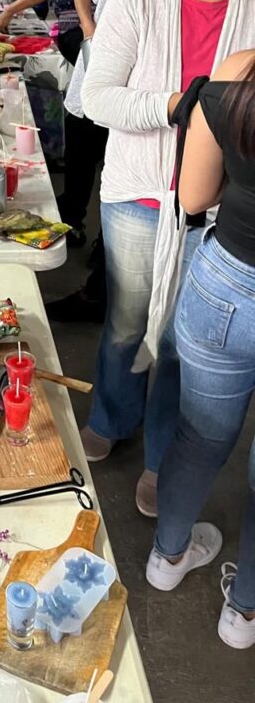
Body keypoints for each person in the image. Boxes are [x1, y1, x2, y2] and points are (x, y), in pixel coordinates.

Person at [80, 0, 255, 519]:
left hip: (218, 211)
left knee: (185, 343)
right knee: (128, 323)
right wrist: (176, 104)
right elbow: (98, 98)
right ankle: (111, 415)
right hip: (141, 194)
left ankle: (162, 457)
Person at [145, 49, 255, 650]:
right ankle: (244, 614)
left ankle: (167, 558)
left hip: (229, 284)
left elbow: (193, 198)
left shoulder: (239, 72)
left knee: (199, 435)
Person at [47, 0, 159, 320]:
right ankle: (72, 223)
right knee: (79, 160)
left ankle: (105, 252)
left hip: (129, 96)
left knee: (116, 175)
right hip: (92, 78)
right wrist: (90, 28)